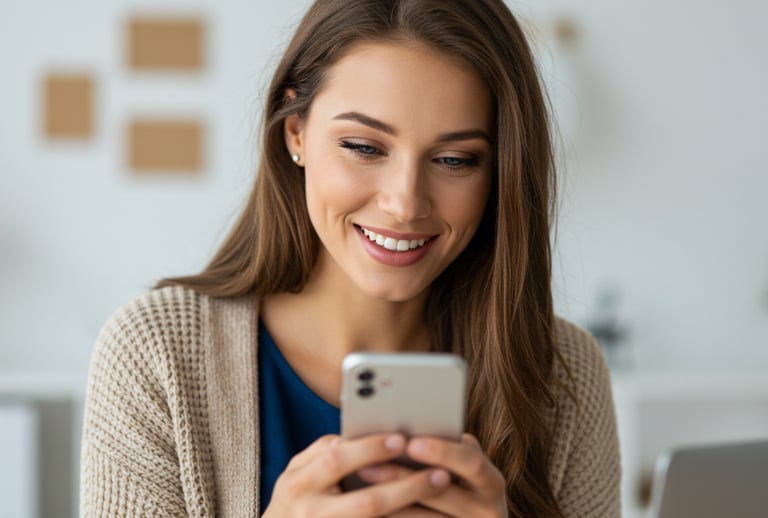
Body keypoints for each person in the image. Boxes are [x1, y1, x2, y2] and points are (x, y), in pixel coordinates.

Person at [80, 0, 621, 516]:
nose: (405, 204)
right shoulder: (157, 354)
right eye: (364, 147)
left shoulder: (562, 376)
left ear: (500, 170)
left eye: (456, 159)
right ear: (296, 132)